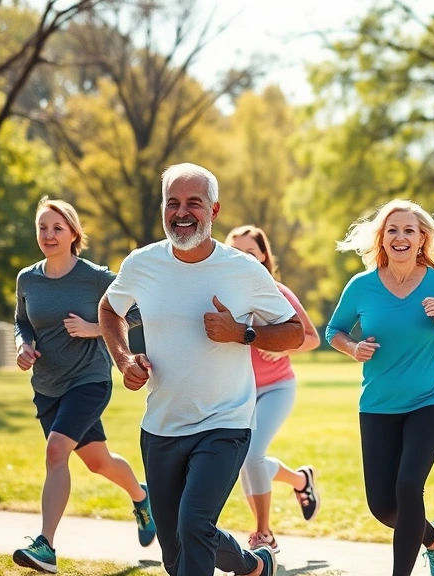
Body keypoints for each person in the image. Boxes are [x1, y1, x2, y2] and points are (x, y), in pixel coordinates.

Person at [98, 163, 304, 576]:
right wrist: (124, 359)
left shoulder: (244, 270)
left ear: (215, 209)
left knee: (194, 524)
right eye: (172, 202)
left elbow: (295, 333)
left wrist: (242, 333)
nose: (182, 212)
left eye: (194, 202)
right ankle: (252, 566)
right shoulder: (142, 264)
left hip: (224, 422)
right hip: (161, 424)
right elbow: (108, 309)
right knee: (176, 552)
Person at [11, 196, 155, 574]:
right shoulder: (28, 278)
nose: (48, 234)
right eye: (42, 227)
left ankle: (46, 546)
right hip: (47, 386)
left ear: (74, 232)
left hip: (88, 380)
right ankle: (142, 497)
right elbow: (22, 322)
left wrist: (96, 329)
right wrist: (22, 345)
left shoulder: (95, 276)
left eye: (57, 227)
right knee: (98, 462)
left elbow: (137, 312)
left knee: (56, 452)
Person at [325, 199, 434, 576]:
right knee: (384, 508)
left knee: (408, 486)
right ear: (381, 239)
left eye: (409, 230)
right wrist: (354, 347)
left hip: (430, 401)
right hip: (378, 405)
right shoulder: (362, 286)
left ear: (423, 238)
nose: (400, 237)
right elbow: (332, 331)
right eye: (392, 230)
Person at [225, 225, 322, 553]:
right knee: (243, 462)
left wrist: (282, 348)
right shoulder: (222, 295)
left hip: (277, 387)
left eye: (250, 253)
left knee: (253, 455)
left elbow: (311, 338)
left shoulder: (277, 292)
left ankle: (263, 534)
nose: (244, 259)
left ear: (263, 256)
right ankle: (300, 481)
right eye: (237, 253)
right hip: (240, 391)